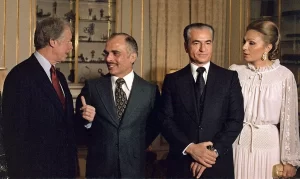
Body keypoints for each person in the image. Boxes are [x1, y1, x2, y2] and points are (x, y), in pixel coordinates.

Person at [158, 22, 244, 178]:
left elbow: (236, 120)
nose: (203, 49)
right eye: (196, 43)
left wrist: (210, 154)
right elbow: (165, 120)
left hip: (217, 164)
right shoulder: (172, 80)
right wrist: (191, 148)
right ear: (186, 46)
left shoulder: (229, 78)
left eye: (208, 43)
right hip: (182, 164)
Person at [75, 32, 161, 178]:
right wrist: (87, 122)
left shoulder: (150, 91)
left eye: (115, 53)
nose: (108, 59)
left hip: (135, 170)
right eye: (106, 53)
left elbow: (155, 125)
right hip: (99, 170)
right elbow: (77, 130)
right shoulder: (92, 88)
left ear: (132, 57)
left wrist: (134, 146)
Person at [2, 17, 77, 177]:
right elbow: (14, 135)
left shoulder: (61, 78)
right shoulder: (20, 76)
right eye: (68, 41)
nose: (71, 47)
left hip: (63, 172)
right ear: (53, 42)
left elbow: (65, 124)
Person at [230, 19, 300, 179]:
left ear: (268, 47)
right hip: (237, 145)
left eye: (251, 43)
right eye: (244, 41)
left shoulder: (284, 76)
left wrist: (289, 160)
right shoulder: (235, 72)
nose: (244, 47)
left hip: (269, 149)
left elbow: (289, 121)